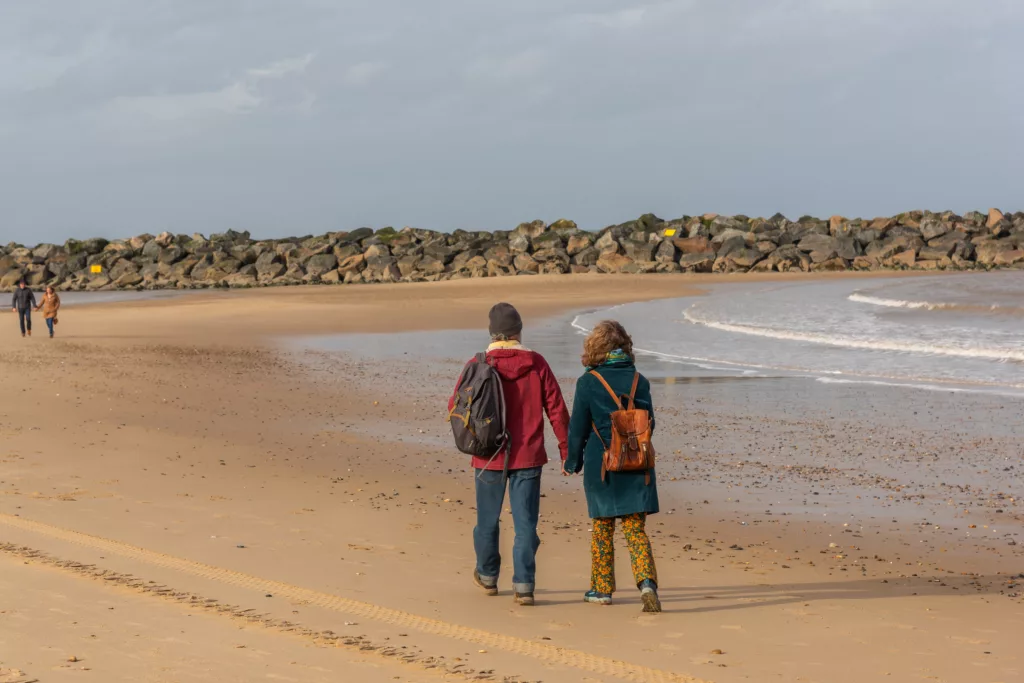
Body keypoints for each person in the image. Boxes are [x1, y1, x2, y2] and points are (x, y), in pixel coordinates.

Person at [448, 303, 570, 606]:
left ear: (492, 332)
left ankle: (488, 576)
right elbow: (556, 408)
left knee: (487, 521)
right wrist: (567, 448)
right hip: (528, 454)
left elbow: (455, 405)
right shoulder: (537, 363)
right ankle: (524, 585)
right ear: (518, 331)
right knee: (526, 524)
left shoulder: (476, 364)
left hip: (487, 454)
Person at [563, 320, 662, 612]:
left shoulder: (589, 381)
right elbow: (650, 423)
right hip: (637, 463)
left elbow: (578, 428)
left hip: (602, 465)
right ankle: (646, 583)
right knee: (635, 530)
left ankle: (602, 589)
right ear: (625, 347)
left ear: (595, 348)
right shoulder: (639, 380)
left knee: (603, 527)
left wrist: (572, 462)